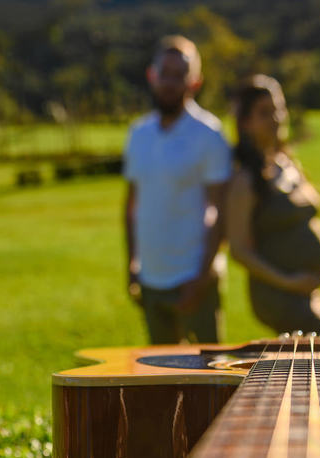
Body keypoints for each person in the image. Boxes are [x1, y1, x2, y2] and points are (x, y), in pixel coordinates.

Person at [123, 35, 231, 344]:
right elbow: (131, 205)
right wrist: (132, 264)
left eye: (179, 75)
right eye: (164, 73)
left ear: (195, 82)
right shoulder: (138, 133)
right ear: (151, 75)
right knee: (159, 370)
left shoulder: (209, 134)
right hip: (151, 278)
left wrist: (202, 276)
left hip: (194, 279)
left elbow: (219, 210)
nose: (170, 82)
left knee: (211, 369)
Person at [226, 75, 320, 335]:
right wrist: (289, 282)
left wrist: (319, 272)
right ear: (245, 123)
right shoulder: (245, 180)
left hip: (306, 294)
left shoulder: (286, 163)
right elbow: (239, 250)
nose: (276, 118)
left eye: (279, 108)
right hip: (279, 297)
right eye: (264, 113)